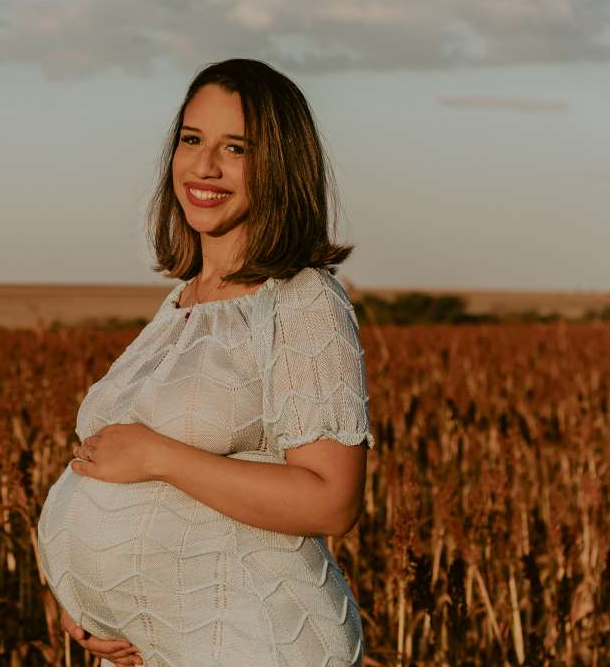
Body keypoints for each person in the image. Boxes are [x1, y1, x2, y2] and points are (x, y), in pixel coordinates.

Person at [37, 59, 374, 667]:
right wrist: (89, 601)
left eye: (235, 148)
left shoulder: (303, 300)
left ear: (279, 167)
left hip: (257, 643)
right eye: (192, 140)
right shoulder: (183, 301)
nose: (204, 166)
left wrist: (157, 456)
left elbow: (331, 500)